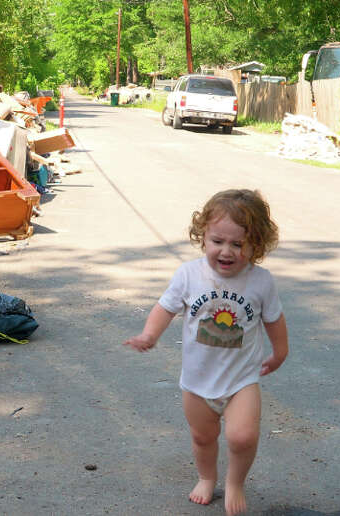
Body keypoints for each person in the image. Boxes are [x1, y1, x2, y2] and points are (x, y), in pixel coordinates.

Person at [124, 189, 288, 516]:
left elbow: (274, 320)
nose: (226, 251)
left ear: (256, 245)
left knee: (242, 437)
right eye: (217, 241)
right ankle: (206, 476)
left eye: (238, 244)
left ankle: (235, 482)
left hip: (241, 381)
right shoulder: (189, 275)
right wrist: (149, 334)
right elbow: (165, 308)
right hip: (197, 382)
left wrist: (280, 353)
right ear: (203, 238)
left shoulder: (261, 282)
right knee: (203, 437)